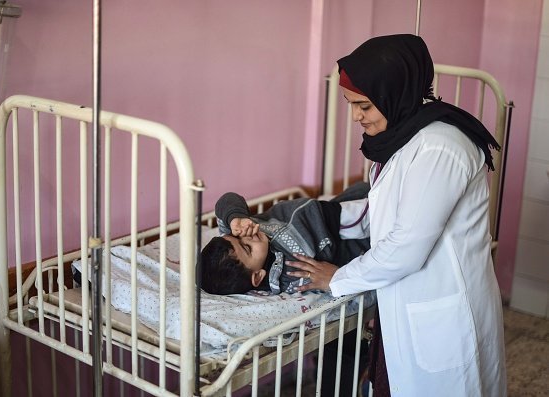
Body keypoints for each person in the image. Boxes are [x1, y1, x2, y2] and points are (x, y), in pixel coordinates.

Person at [287, 34, 507, 397]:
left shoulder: (440, 148)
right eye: (351, 105)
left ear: (395, 93)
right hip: (405, 302)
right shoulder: (400, 140)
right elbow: (381, 212)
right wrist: (319, 215)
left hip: (442, 311)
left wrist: (338, 278)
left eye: (364, 106)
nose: (356, 116)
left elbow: (407, 246)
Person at [200, 184, 370, 295]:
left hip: (324, 214)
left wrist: (235, 218)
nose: (248, 236)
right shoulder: (288, 278)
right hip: (330, 236)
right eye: (248, 248)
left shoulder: (237, 228)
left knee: (370, 203)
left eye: (238, 237)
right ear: (258, 276)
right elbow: (320, 279)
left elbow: (227, 200)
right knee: (380, 221)